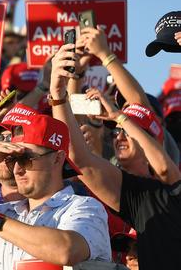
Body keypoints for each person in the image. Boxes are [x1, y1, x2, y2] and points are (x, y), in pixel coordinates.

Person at [50, 42, 181, 268]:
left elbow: (164, 169)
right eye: (117, 131)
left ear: (156, 142)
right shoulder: (140, 198)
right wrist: (58, 96)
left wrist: (120, 117)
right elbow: (79, 160)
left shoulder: (169, 187)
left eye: (129, 131)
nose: (119, 135)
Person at [0, 111, 112, 268]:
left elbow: (66, 250)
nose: (16, 169)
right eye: (11, 160)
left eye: (26, 159)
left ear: (57, 158)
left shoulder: (85, 207)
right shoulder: (4, 213)